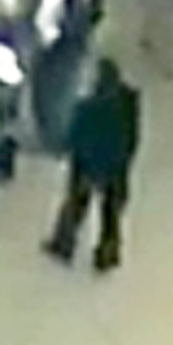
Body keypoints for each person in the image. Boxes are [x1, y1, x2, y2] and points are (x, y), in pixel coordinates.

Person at [42, 58, 138, 271]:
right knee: (111, 212)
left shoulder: (87, 106)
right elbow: (132, 136)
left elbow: (76, 136)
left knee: (75, 204)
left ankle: (63, 244)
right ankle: (108, 252)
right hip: (116, 165)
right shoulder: (129, 100)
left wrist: (66, 150)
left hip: (87, 163)